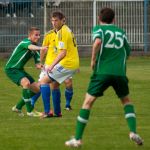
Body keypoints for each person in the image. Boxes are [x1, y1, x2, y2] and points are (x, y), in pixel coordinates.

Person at [65, 8, 143, 147]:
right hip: (120, 74)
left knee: (88, 102)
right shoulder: (121, 32)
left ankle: (77, 139)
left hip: (102, 72)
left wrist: (93, 60)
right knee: (126, 101)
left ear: (99, 19)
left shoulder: (99, 29)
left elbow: (97, 43)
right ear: (114, 19)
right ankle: (132, 132)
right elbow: (128, 51)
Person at [39, 11, 79, 118]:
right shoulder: (66, 30)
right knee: (55, 85)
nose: (54, 23)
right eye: (52, 20)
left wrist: (51, 65)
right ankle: (57, 112)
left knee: (43, 81)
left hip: (67, 64)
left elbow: (63, 52)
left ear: (63, 20)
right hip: (72, 63)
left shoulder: (62, 32)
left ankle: (47, 112)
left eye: (56, 20)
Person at [4, 27, 48, 117]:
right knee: (26, 83)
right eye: (36, 35)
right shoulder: (25, 42)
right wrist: (41, 48)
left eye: (39, 35)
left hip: (19, 70)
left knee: (37, 89)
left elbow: (37, 64)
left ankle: (18, 107)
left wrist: (42, 66)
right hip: (11, 69)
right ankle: (30, 111)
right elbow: (30, 47)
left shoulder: (35, 50)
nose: (38, 37)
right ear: (30, 35)